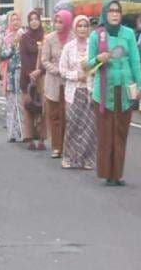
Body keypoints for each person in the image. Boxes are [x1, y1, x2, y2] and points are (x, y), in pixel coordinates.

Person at [88, 0, 141, 187]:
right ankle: (106, 173)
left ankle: (118, 174)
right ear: (105, 13)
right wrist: (98, 59)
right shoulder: (97, 35)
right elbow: (88, 66)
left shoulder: (128, 33)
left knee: (120, 133)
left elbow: (135, 61)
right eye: (111, 11)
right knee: (105, 133)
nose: (114, 14)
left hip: (125, 89)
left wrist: (140, 86)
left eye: (117, 11)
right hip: (103, 91)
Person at [59, 15, 97, 169]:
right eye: (79, 26)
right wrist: (76, 76)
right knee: (73, 124)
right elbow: (62, 70)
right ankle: (68, 157)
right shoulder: (69, 47)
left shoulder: (92, 46)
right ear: (75, 28)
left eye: (85, 26)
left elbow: (98, 66)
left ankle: (87, 158)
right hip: (73, 92)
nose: (82, 29)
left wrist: (89, 73)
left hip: (89, 90)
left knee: (89, 126)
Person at [42, 10, 73, 158]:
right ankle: (56, 147)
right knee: (54, 115)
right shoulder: (49, 38)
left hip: (69, 82)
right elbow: (44, 60)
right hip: (53, 81)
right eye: (57, 22)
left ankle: (67, 145)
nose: (58, 25)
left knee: (67, 115)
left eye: (61, 22)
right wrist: (57, 70)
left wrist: (68, 71)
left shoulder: (73, 38)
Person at [19, 10, 47, 150]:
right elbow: (23, 58)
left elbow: (47, 57)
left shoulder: (45, 37)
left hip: (42, 76)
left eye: (36, 19)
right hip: (27, 77)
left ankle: (41, 138)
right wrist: (30, 74)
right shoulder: (24, 38)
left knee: (42, 108)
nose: (34, 22)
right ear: (28, 22)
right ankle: (29, 138)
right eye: (31, 19)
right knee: (29, 107)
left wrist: (40, 70)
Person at [0, 12, 24, 142]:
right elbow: (2, 55)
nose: (16, 22)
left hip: (23, 73)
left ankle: (22, 132)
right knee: (11, 104)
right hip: (10, 74)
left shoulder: (24, 36)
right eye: (13, 20)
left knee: (21, 104)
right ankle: (11, 133)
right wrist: (13, 45)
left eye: (18, 19)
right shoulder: (6, 38)